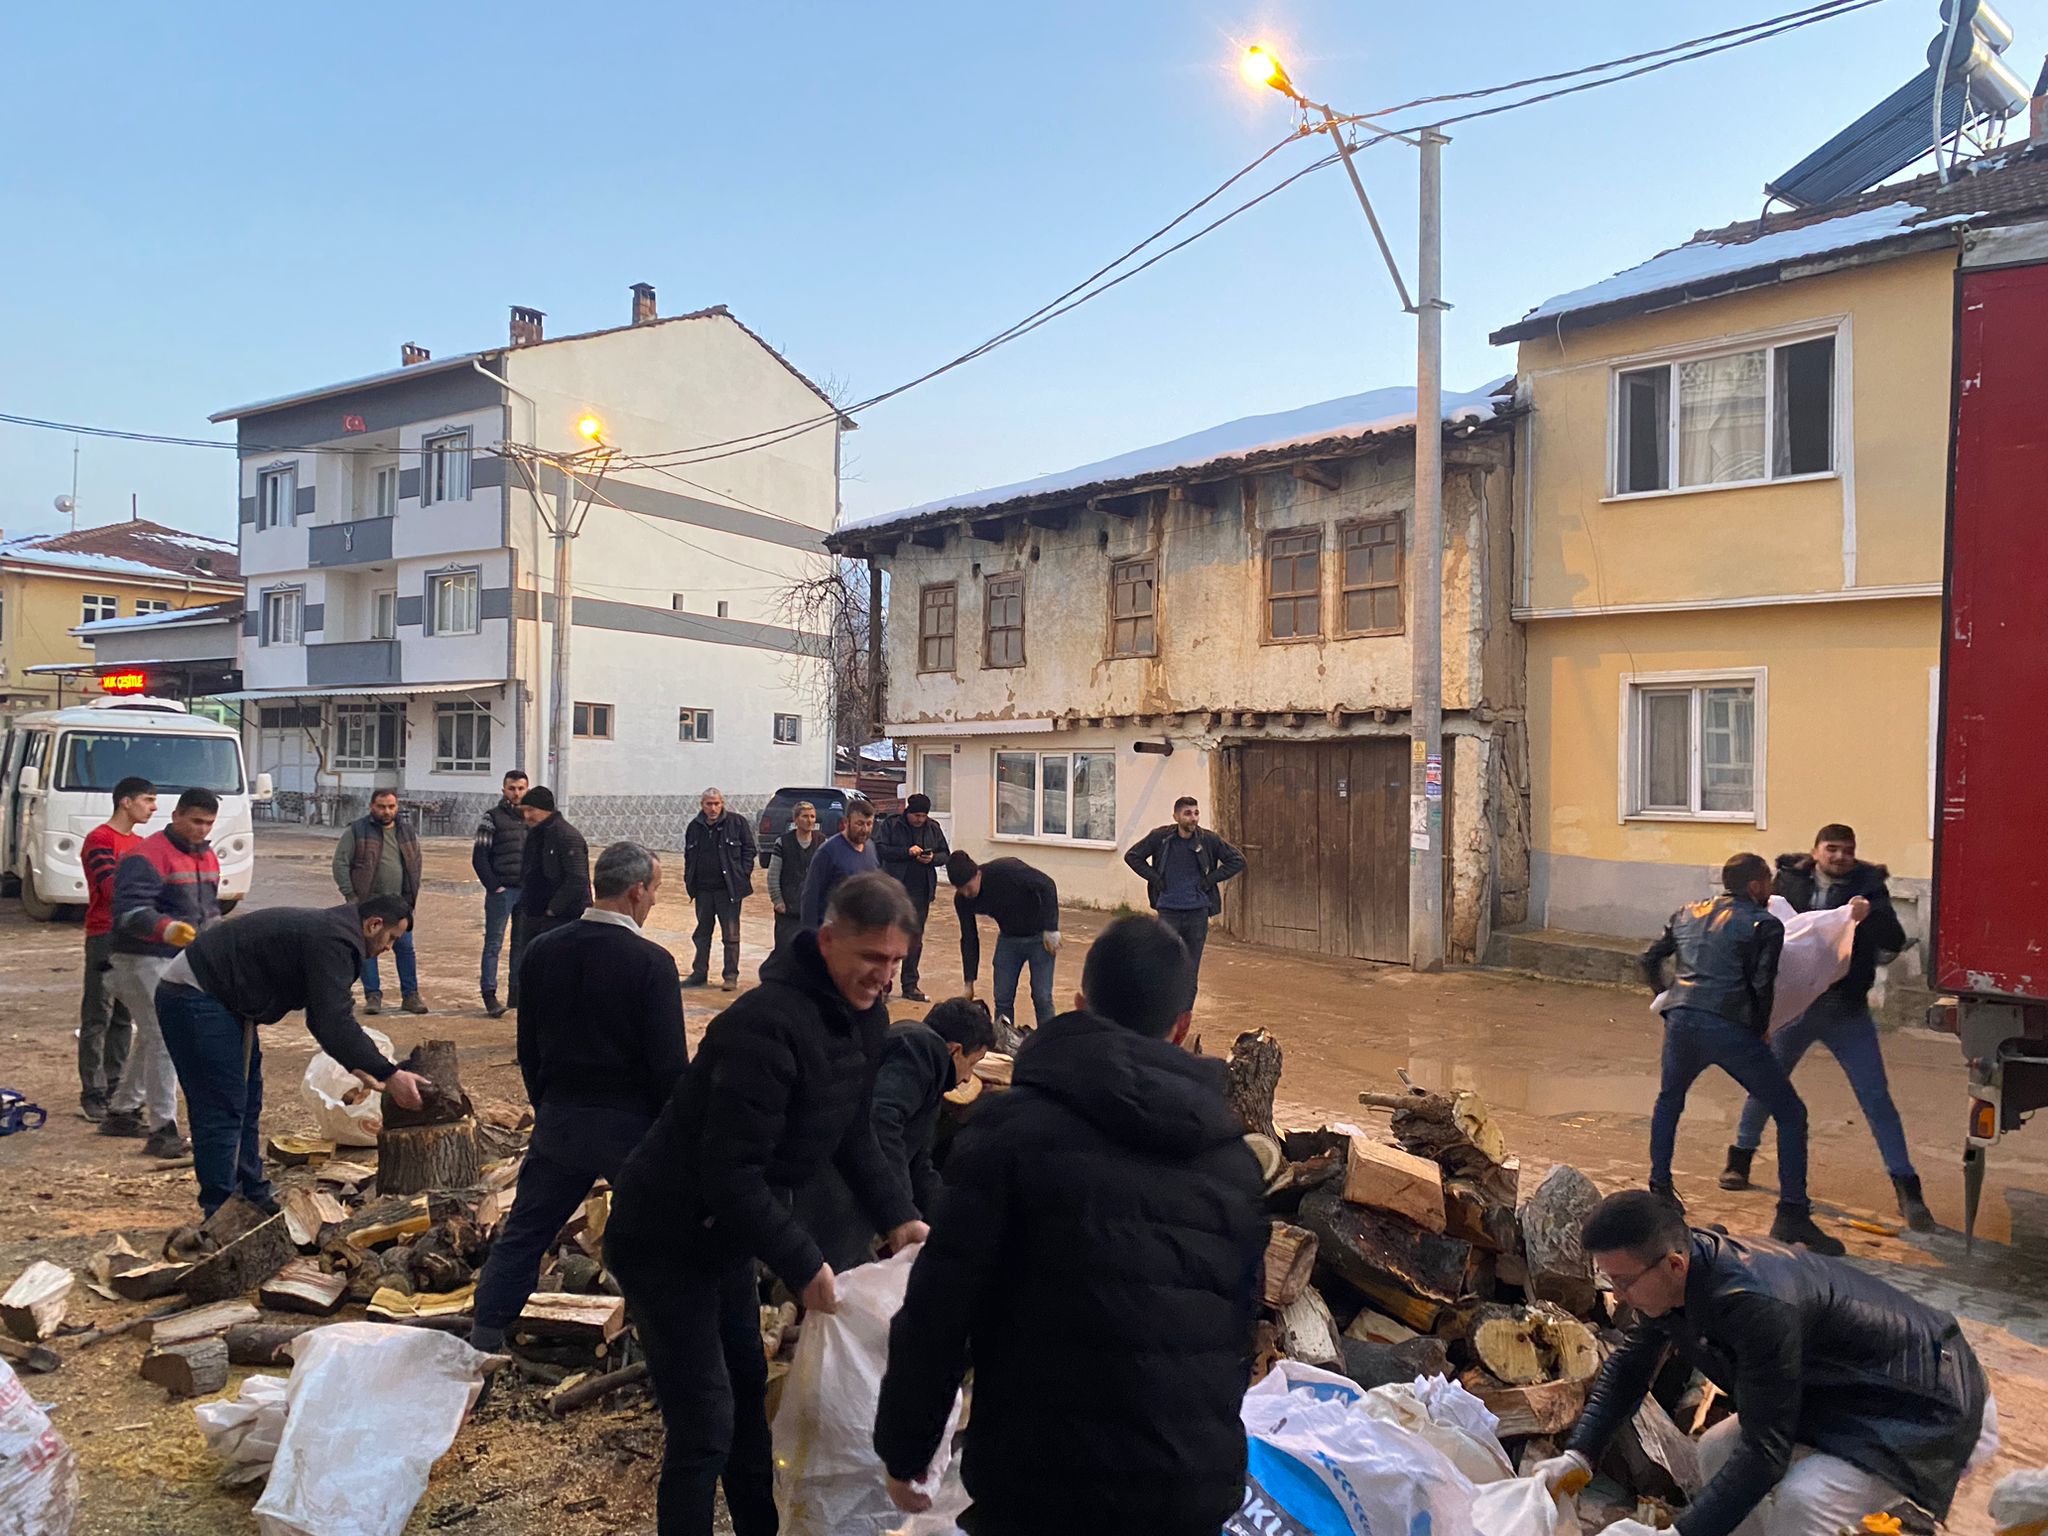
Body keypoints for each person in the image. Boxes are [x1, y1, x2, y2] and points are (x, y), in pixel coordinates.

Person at [875, 914, 1268, 1535]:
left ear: (1080, 1005)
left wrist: (905, 1452)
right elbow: (1233, 1342)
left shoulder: (1008, 1135)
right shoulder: (1235, 1168)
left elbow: (938, 1312)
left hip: (1038, 1490)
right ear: (1183, 1027)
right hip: (1187, 1496)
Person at [606, 871, 930, 1536]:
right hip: (664, 1237)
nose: (885, 977)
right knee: (704, 1424)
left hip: (722, 1235)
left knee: (747, 1391)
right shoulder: (764, 1027)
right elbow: (729, 1171)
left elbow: (854, 1131)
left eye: (896, 961)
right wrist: (803, 1262)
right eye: (873, 958)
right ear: (830, 939)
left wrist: (901, 1217)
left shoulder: (865, 1019)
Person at [1527, 1189, 1998, 1536]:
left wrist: (1680, 1535)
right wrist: (1579, 1454)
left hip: (1927, 1404)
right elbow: (1632, 1364)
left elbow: (1765, 1455)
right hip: (1835, 1393)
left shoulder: (1756, 1306)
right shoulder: (1678, 1281)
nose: (1618, 1294)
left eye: (1624, 1282)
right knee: (1712, 1452)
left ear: (1673, 1265)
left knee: (1804, 1502)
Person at [470, 843, 687, 1353]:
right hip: (631, 1126)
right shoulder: (652, 963)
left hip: (562, 1115)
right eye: (654, 891)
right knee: (659, 1237)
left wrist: (546, 1105)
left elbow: (528, 1048)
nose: (654, 901)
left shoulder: (544, 950)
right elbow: (668, 1066)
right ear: (636, 892)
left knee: (526, 1231)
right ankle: (665, 1343)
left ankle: (483, 1339)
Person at [154, 897, 430, 1217]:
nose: (389, 948)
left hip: (224, 997)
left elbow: (328, 1017)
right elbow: (330, 1021)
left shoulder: (338, 934)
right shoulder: (336, 940)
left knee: (247, 1099)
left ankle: (251, 1195)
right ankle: (222, 1212)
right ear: (373, 925)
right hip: (196, 993)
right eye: (391, 939)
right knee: (223, 1107)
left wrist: (372, 1067)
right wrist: (388, 1074)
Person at [1722, 824, 1931, 1231]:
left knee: (1875, 1097)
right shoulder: (1789, 880)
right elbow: (1759, 927)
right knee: (1766, 1084)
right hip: (1794, 1009)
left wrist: (1867, 918)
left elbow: (1894, 937)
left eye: (1847, 850)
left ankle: (1908, 1190)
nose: (1839, 856)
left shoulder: (1870, 886)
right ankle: (1739, 1160)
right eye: (1832, 849)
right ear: (1816, 851)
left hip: (1846, 1010)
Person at [1641, 853, 1840, 1254]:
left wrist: (1665, 998)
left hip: (1682, 1020)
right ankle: (1792, 1215)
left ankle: (1660, 1191)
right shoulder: (1765, 924)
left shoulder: (1687, 912)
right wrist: (1762, 1030)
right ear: (1754, 885)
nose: (1772, 888)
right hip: (1728, 1025)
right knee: (1790, 1112)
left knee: (1669, 1101)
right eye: (1768, 880)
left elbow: (1649, 958)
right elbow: (1762, 983)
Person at [100, 787, 223, 1159]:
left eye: (209, 823)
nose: (202, 829)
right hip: (139, 956)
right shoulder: (147, 856)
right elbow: (127, 911)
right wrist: (166, 927)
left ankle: (122, 1112)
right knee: (165, 1037)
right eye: (196, 821)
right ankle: (162, 1129)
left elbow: (210, 910)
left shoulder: (207, 856)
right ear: (177, 816)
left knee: (154, 1036)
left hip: (178, 957)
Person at [76, 775, 154, 1122]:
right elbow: (109, 888)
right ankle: (92, 1091)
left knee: (125, 1016)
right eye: (147, 800)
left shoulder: (139, 843)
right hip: (105, 934)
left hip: (131, 937)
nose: (152, 808)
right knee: (98, 1015)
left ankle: (114, 1085)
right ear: (126, 801)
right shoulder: (100, 839)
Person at [874, 997, 994, 1219]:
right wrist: (900, 1213)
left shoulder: (929, 1067)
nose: (968, 1078)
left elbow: (919, 1165)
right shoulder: (922, 1048)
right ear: (955, 1051)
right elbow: (882, 1118)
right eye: (972, 1064)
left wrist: (949, 1219)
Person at [1122, 795, 1246, 1004]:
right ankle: (1163, 1012)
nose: (1193, 818)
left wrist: (1209, 880)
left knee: (1190, 968)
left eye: (1196, 813)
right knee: (1164, 964)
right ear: (1176, 816)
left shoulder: (1208, 840)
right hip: (1168, 911)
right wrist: (1155, 878)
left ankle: (1183, 1016)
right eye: (1187, 813)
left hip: (1197, 912)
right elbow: (1132, 856)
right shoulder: (1160, 838)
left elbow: (1237, 860)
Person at [333, 788, 428, 1016]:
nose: (387, 811)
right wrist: (351, 896)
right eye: (382, 806)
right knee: (369, 950)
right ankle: (373, 996)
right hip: (368, 904)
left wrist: (411, 897)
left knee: (405, 948)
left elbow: (416, 862)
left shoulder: (405, 831)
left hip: (400, 904)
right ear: (371, 807)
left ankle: (410, 995)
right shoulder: (357, 830)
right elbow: (340, 863)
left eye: (391, 806)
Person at [945, 851, 1060, 1032]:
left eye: (968, 887)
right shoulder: (962, 900)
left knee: (1042, 996)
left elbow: (1047, 884)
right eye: (961, 890)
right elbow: (969, 937)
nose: (967, 893)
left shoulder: (1006, 871)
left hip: (1040, 937)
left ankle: (1050, 1041)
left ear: (978, 873)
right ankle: (1004, 1040)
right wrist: (969, 981)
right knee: (1003, 997)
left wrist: (1051, 928)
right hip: (1009, 939)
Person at [875, 794, 951, 1002]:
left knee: (914, 940)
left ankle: (910, 984)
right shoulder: (891, 825)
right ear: (908, 812)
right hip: (894, 891)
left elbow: (945, 853)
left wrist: (933, 858)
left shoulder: (933, 827)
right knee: (888, 936)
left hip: (921, 891)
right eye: (916, 815)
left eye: (923, 816)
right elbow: (881, 850)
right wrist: (906, 852)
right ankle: (881, 983)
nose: (920, 819)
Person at [515, 786, 591, 991]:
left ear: (545, 809)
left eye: (531, 810)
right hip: (534, 915)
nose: (526, 816)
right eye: (524, 810)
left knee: (557, 975)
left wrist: (553, 909)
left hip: (560, 919)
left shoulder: (566, 836)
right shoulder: (535, 834)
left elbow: (577, 879)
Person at [682, 786, 757, 992]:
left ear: (722, 803)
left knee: (730, 935)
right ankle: (699, 974)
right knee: (702, 934)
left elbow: (749, 850)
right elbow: (688, 857)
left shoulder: (737, 823)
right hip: (703, 891)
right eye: (709, 804)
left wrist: (742, 873)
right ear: (702, 805)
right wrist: (689, 880)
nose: (713, 808)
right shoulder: (694, 827)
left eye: (716, 803)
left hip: (729, 890)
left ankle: (730, 976)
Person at [472, 769, 529, 1018]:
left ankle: (515, 995)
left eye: (520, 789)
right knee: (493, 944)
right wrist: (494, 886)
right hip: (501, 892)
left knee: (521, 945)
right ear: (503, 789)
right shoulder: (491, 818)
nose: (516, 793)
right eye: (511, 788)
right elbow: (479, 856)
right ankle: (489, 994)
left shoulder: (531, 818)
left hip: (526, 893)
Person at [799, 796, 878, 932]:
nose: (865, 829)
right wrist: (811, 937)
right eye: (859, 824)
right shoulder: (828, 852)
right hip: (835, 932)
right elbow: (810, 897)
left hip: (863, 931)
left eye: (869, 824)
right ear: (846, 822)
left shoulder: (870, 848)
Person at [765, 800, 822, 956]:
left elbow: (827, 875)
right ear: (795, 820)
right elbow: (773, 874)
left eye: (812, 816)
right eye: (805, 816)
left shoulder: (822, 842)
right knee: (784, 951)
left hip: (812, 910)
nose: (809, 820)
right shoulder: (783, 842)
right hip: (788, 909)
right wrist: (777, 900)